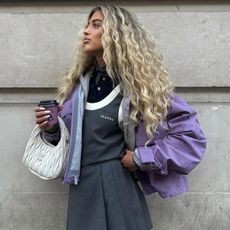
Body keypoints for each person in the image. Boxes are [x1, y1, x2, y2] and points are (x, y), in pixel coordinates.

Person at [34, 4, 206, 230]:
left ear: (117, 35)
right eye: (87, 25)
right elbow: (68, 142)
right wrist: (51, 128)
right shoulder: (79, 87)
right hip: (82, 185)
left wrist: (142, 157)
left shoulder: (143, 88)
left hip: (120, 185)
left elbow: (191, 138)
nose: (86, 31)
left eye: (96, 25)